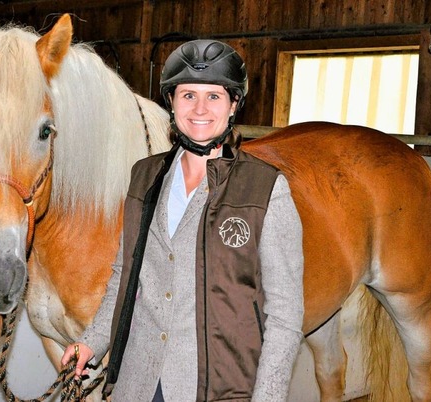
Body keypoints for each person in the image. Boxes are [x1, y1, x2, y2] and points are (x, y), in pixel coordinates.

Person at [61, 39, 304, 402]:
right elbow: (124, 277)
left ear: (234, 104)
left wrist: (267, 396)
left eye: (214, 96)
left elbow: (285, 316)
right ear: (172, 102)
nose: (200, 108)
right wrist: (91, 343)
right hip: (139, 381)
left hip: (217, 386)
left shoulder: (267, 188)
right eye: (188, 95)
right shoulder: (144, 176)